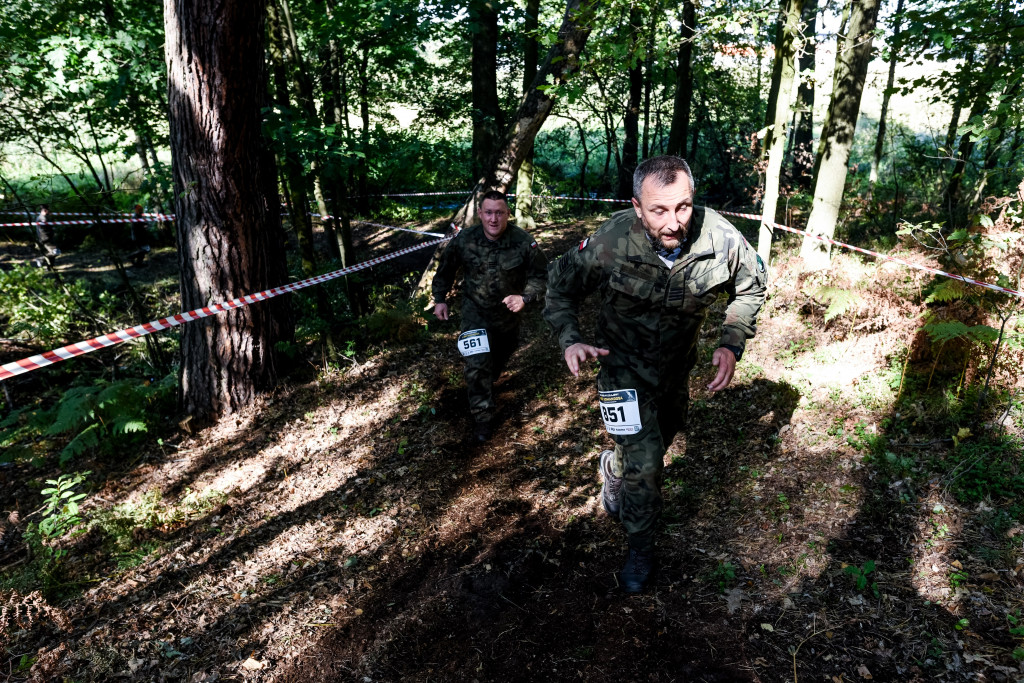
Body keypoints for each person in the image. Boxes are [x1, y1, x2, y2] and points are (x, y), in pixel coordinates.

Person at [543, 156, 767, 593]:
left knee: (663, 437)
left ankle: (613, 467)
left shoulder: (720, 237)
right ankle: (640, 548)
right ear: (637, 206)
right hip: (621, 370)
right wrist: (570, 338)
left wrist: (729, 341)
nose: (673, 222)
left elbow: (752, 286)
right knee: (646, 466)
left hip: (674, 370)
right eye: (659, 210)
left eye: (682, 207)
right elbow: (559, 284)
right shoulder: (612, 238)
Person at [432, 190, 548, 442]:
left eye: (499, 213)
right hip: (475, 313)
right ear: (481, 214)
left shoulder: (524, 241)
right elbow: (446, 268)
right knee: (477, 364)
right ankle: (482, 418)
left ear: (508, 214)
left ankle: (487, 381)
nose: (494, 219)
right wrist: (439, 299)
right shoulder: (465, 240)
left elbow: (541, 276)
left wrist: (525, 297)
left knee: (499, 358)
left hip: (507, 317)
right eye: (488, 213)